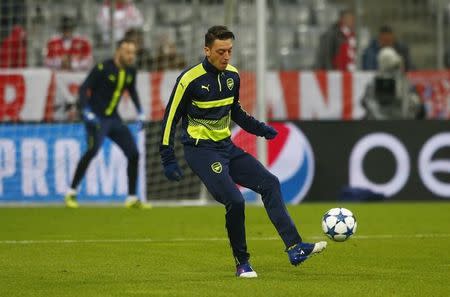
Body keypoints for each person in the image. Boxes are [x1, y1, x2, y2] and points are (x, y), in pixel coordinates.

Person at [159, 25, 327, 278]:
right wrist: (168, 157)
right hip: (201, 151)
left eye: (230, 51)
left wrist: (260, 129)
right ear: (207, 50)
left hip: (226, 147)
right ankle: (242, 263)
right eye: (221, 51)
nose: (226, 57)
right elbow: (169, 119)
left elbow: (235, 111)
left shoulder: (232, 76)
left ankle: (295, 247)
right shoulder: (189, 80)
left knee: (270, 183)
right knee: (235, 201)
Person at [64, 38, 147, 209]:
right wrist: (86, 111)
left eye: (133, 53)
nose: (131, 56)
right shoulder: (103, 68)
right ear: (118, 52)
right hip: (97, 119)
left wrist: (140, 112)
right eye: (127, 52)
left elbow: (132, 91)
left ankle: (131, 198)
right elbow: (83, 88)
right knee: (93, 151)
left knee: (134, 153)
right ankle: (71, 192)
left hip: (114, 120)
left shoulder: (131, 71)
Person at [361, 47, 424, 119]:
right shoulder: (373, 83)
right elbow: (367, 102)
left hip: (400, 119)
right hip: (380, 120)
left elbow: (413, 102)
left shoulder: (403, 81)